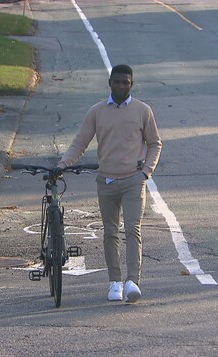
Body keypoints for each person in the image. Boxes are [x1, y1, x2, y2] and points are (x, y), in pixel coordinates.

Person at [57, 64, 162, 303]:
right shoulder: (97, 111)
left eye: (126, 82)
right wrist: (63, 164)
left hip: (134, 180)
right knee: (110, 232)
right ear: (110, 84)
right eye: (117, 82)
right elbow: (80, 142)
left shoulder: (143, 111)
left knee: (132, 229)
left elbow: (155, 143)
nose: (121, 86)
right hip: (106, 180)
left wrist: (146, 171)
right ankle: (114, 281)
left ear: (131, 85)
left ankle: (132, 281)